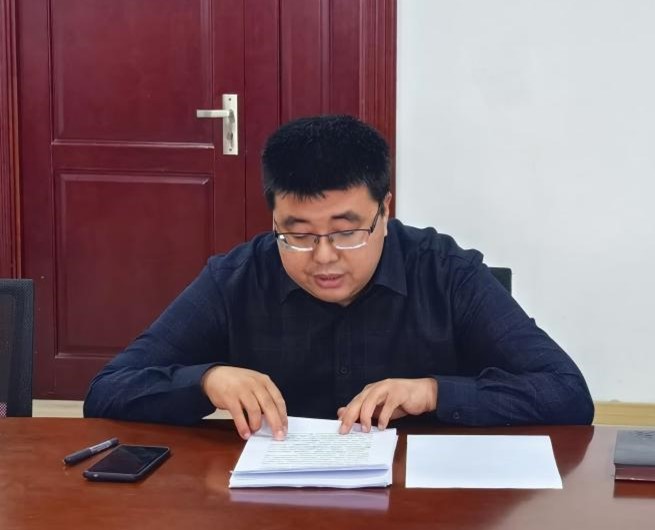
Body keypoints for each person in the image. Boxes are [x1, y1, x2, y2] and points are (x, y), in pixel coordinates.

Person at [84, 115, 594, 440]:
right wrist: (207, 381)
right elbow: (107, 391)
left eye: (347, 231)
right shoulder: (235, 279)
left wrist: (432, 393)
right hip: (277, 507)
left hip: (422, 505)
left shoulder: (447, 273)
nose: (323, 258)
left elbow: (567, 393)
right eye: (297, 233)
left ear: (385, 211)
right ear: (274, 219)